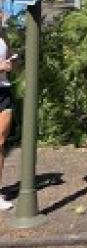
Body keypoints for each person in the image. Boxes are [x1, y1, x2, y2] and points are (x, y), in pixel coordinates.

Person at [0, 29, 14, 210]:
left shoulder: (3, 36)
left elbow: (10, 60)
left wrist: (12, 63)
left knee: (0, 141)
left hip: (3, 91)